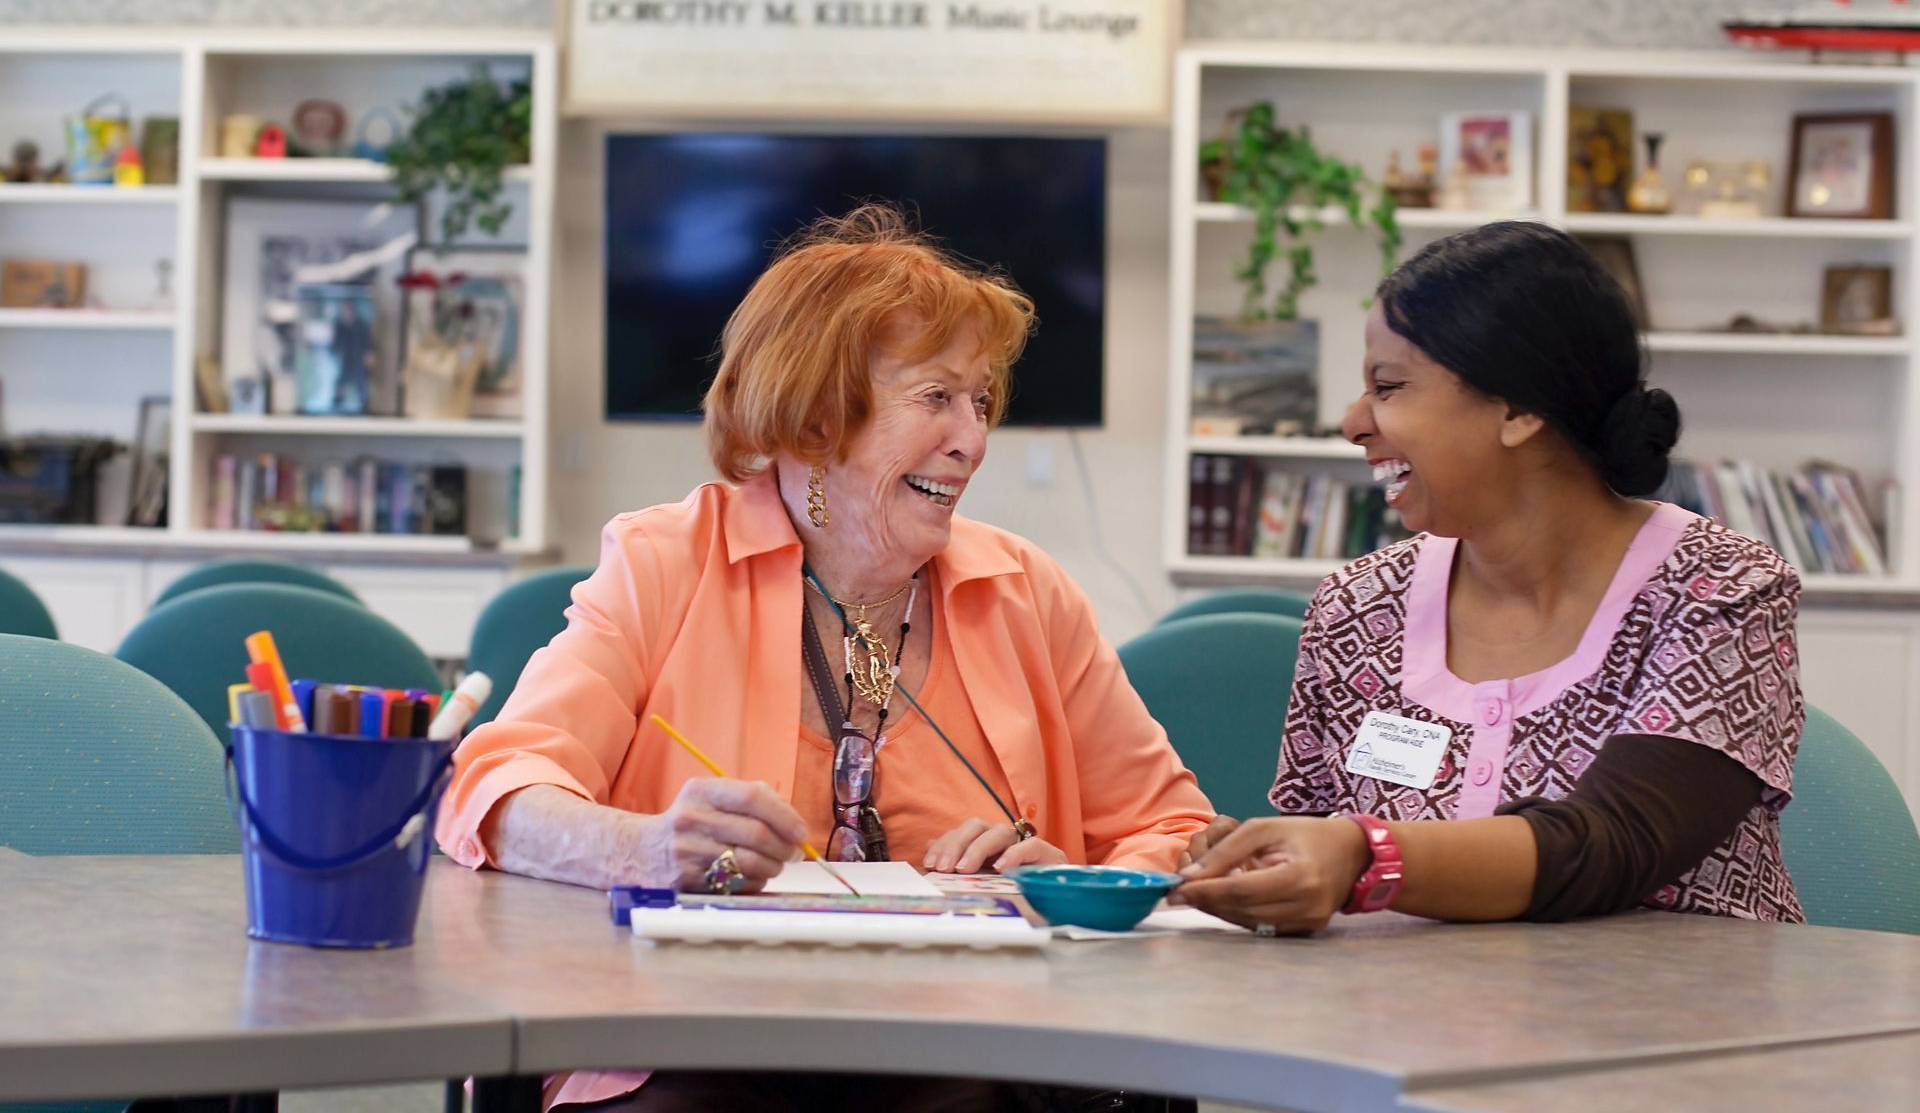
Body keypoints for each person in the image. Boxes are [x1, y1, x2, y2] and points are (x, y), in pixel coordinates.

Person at [438, 204, 1212, 1111]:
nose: (974, 437)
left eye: (981, 400)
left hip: (969, 1042)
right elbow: (493, 788)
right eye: (936, 398)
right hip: (692, 1040)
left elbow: (1176, 835)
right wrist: (643, 847)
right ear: (814, 420)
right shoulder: (666, 562)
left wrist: (1064, 882)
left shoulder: (1025, 592)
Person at [1179, 221, 1802, 934]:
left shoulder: (1720, 591)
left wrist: (1365, 855)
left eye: (1387, 386)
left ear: (1519, 408)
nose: (1353, 423)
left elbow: (1618, 842)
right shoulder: (1356, 607)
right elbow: (1321, 850)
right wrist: (1268, 863)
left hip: (1676, 1029)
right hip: (1401, 1028)